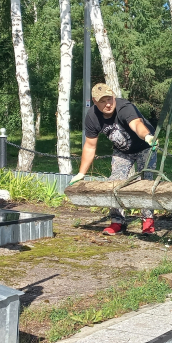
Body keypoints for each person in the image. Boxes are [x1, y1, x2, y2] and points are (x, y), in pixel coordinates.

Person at [70, 84, 158, 235]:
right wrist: (81, 173)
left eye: (109, 99)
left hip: (145, 145)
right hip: (122, 150)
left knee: (146, 182)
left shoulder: (125, 108)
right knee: (114, 183)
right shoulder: (92, 116)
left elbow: (136, 124)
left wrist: (148, 136)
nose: (108, 104)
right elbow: (90, 146)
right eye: (103, 101)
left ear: (113, 96)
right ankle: (117, 222)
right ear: (95, 102)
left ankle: (147, 221)